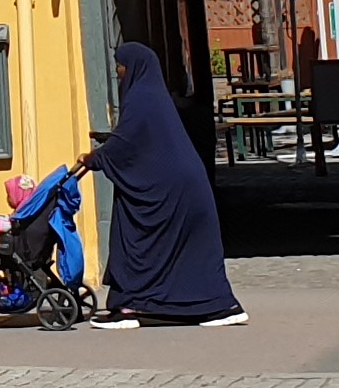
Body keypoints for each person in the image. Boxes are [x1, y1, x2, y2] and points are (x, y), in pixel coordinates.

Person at [77, 44, 245, 327]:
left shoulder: (141, 98)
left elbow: (127, 141)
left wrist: (95, 158)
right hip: (182, 186)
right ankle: (217, 306)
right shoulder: (153, 96)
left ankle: (128, 307)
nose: (118, 71)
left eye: (121, 65)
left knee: (135, 243)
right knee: (188, 252)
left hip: (170, 190)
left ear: (135, 67)